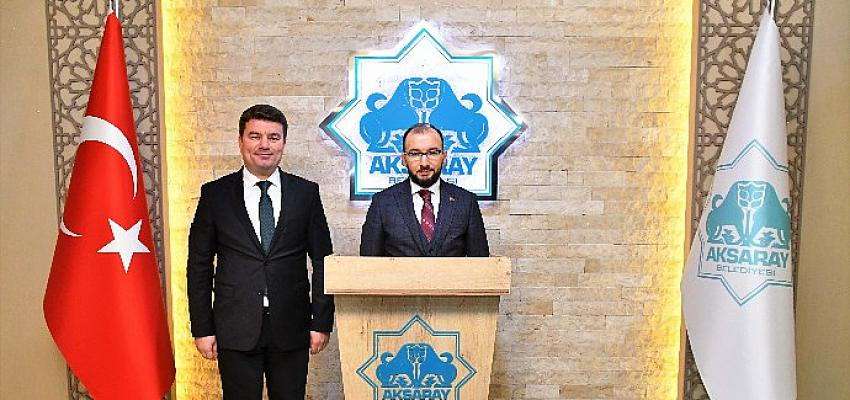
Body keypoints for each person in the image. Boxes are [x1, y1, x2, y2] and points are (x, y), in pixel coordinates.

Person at [187, 104, 333, 400]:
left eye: (273, 137)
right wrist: (202, 328)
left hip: (292, 325)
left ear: (283, 143)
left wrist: (320, 322)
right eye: (255, 136)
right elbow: (199, 266)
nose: (264, 145)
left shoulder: (306, 193)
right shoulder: (215, 195)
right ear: (240, 141)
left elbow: (323, 262)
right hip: (234, 327)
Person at [360, 123, 489, 257]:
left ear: (444, 157)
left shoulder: (466, 202)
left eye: (432, 152)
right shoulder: (382, 203)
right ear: (404, 159)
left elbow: (482, 263)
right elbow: (368, 264)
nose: (424, 163)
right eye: (414, 154)